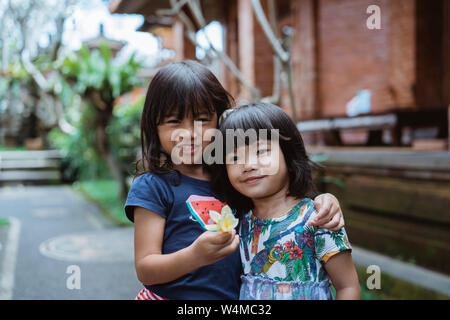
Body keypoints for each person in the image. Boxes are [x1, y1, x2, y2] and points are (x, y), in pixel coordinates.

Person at [125, 60, 347, 300]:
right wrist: (194, 256)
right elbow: (146, 269)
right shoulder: (153, 186)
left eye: (202, 119)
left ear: (220, 122)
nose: (189, 133)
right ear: (154, 127)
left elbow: (278, 203)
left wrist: (325, 201)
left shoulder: (233, 178)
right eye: (173, 122)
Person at [211, 102, 361, 300]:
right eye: (235, 157)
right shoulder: (237, 222)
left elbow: (347, 287)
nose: (247, 165)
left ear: (289, 156)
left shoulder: (318, 218)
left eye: (260, 151)